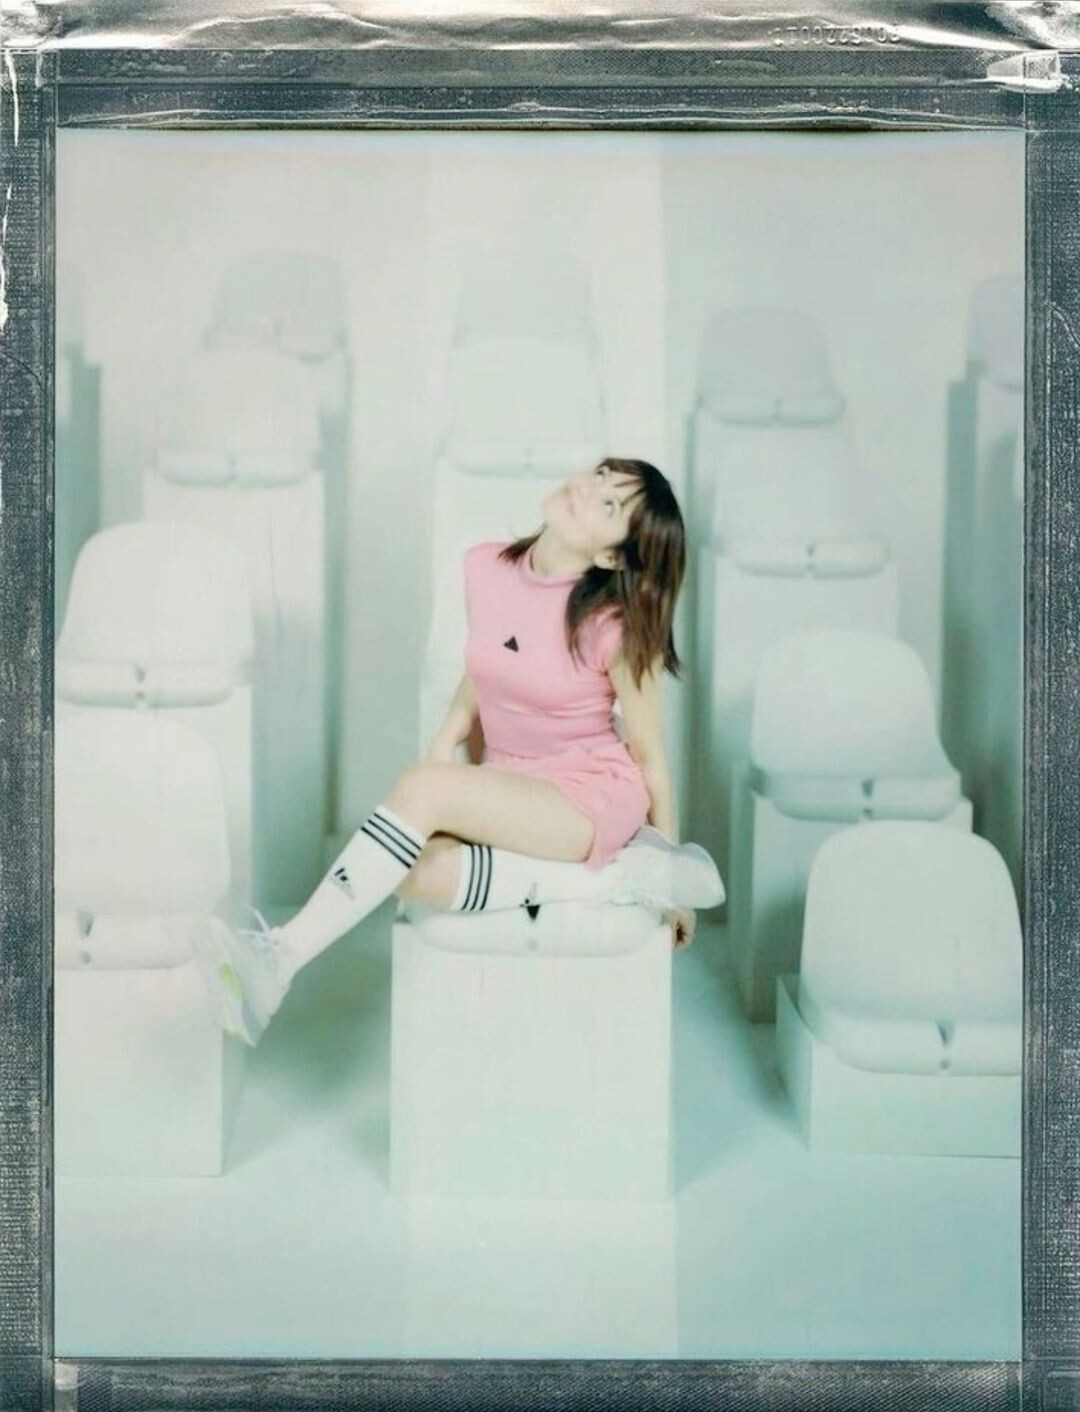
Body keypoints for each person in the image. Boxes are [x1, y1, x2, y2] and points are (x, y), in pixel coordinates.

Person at [195, 456, 724, 1047]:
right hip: (515, 780)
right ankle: (607, 882)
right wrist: (447, 736)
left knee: (424, 789)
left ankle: (278, 959)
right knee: (415, 871)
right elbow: (491, 661)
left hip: (589, 795)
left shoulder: (614, 628)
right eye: (601, 476)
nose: (588, 488)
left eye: (609, 505)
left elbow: (651, 758)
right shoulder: (486, 567)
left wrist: (673, 881)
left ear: (611, 557)